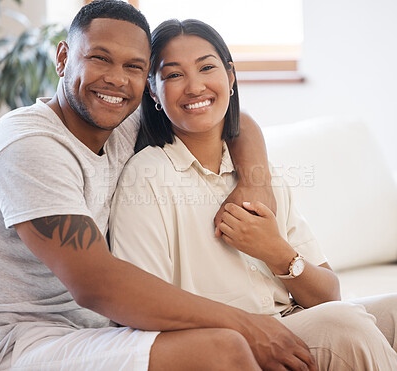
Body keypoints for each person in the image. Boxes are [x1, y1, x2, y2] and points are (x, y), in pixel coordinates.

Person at [0, 1, 323, 370]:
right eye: (100, 58)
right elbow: (95, 283)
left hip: (108, 331)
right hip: (28, 337)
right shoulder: (29, 143)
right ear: (62, 58)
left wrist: (253, 182)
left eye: (134, 67)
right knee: (224, 348)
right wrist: (248, 325)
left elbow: (232, 118)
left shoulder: (119, 119)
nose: (117, 79)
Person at [110, 18, 397, 370]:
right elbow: (144, 309)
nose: (195, 86)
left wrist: (276, 252)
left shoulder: (259, 173)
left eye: (207, 67)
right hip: (232, 341)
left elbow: (328, 295)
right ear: (153, 92)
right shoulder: (147, 177)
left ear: (230, 77)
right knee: (345, 327)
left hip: (293, 319)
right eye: (173, 75)